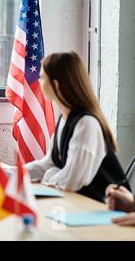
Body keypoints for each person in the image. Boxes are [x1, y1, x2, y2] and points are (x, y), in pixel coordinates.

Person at [19, 51, 130, 202]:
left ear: (56, 84)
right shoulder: (64, 119)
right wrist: (11, 173)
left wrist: (49, 175)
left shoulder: (86, 124)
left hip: (105, 211)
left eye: (43, 77)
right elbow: (49, 164)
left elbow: (72, 181)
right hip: (79, 206)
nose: (39, 81)